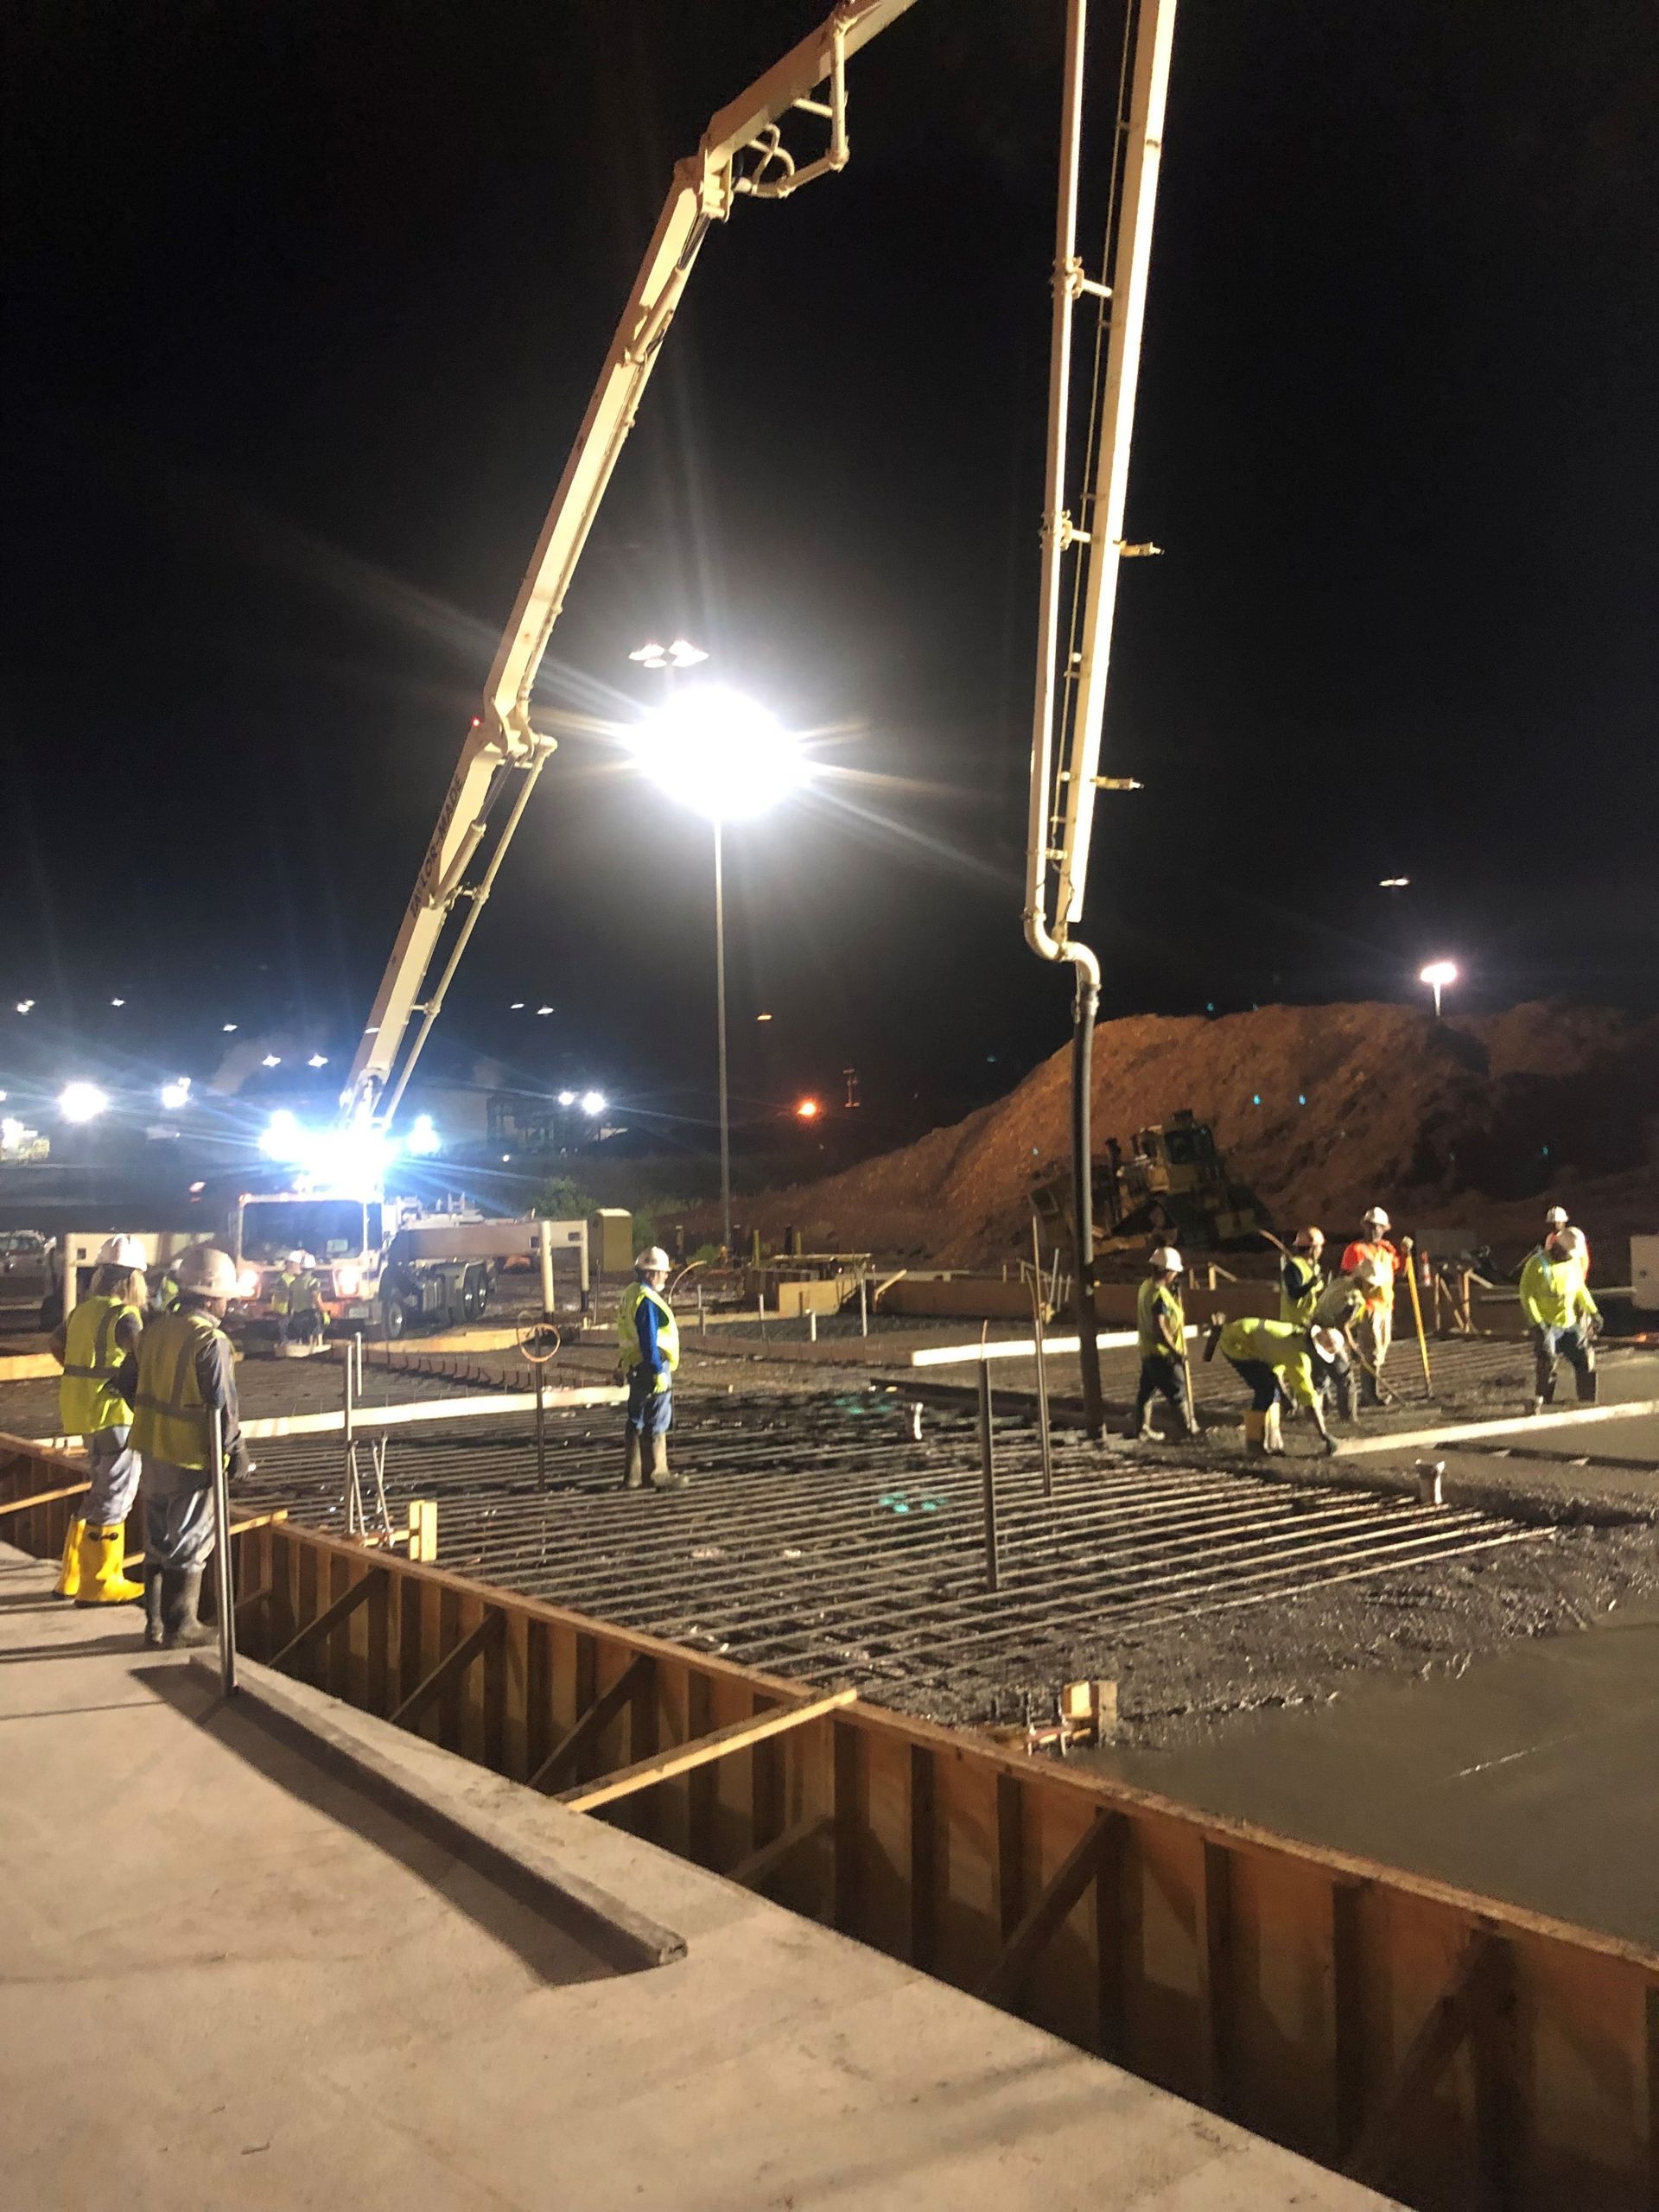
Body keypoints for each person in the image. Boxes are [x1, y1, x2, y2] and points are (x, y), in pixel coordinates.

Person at [124, 1243, 250, 1649]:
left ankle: (154, 1626)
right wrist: (238, 1453)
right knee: (191, 1541)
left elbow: (125, 1383)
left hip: (151, 1448)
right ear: (211, 1297)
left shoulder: (155, 1331)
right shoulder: (209, 1341)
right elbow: (222, 1406)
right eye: (226, 1296)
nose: (228, 1303)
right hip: (191, 1456)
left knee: (158, 1539)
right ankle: (184, 1625)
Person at [49, 1236, 149, 1604]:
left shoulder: (83, 1312)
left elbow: (55, 1344)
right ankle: (101, 1582)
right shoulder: (125, 1316)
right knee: (116, 1495)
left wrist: (79, 1375)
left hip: (83, 1413)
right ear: (133, 1279)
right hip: (115, 1415)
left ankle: (71, 1576)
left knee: (99, 1491)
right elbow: (142, 1357)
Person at [1217, 1315, 1343, 1456]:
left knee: (1272, 1391)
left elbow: (1274, 1367)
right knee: (1266, 1392)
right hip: (1236, 1344)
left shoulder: (1296, 1333)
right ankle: (1254, 1444)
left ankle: (1265, 1442)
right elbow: (1308, 1397)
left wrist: (1285, 1396)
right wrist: (1324, 1434)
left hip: (1242, 1332)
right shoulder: (1299, 1358)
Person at [616, 1245, 686, 1492]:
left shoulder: (630, 1294)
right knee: (657, 1418)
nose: (666, 1276)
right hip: (652, 1365)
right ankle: (658, 1473)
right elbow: (648, 1338)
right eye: (663, 1272)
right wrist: (657, 1370)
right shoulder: (646, 1300)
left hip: (634, 1365)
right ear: (652, 1273)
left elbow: (627, 1333)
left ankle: (632, 1476)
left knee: (636, 1418)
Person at [1520, 1225, 1599, 1412]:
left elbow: (1580, 1290)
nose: (1571, 1256)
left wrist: (1594, 1311)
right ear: (1558, 1248)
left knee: (1584, 1357)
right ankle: (1543, 1400)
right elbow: (1526, 1294)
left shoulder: (1572, 1264)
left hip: (1569, 1323)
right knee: (1547, 1360)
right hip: (1547, 1324)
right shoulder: (1538, 1264)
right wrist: (1537, 1323)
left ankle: (1587, 1401)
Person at [1129, 1246, 1198, 1441]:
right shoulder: (1159, 1295)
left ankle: (1142, 1429)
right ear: (1167, 1271)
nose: (1176, 1276)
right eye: (1174, 1272)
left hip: (1148, 1351)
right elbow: (1160, 1327)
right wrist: (1175, 1351)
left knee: (1146, 1392)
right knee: (1178, 1391)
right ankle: (1188, 1431)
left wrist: (1174, 1296)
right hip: (1163, 1354)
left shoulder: (1146, 1287)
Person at [1339, 1206, 1405, 1405]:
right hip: (1367, 1308)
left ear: (1385, 1228)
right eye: (1371, 1226)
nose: (1374, 1230)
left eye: (1378, 1227)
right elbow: (1345, 1278)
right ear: (1364, 1227)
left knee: (1380, 1352)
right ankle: (1369, 1395)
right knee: (1372, 1352)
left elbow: (1401, 1271)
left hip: (1385, 1307)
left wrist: (1406, 1254)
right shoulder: (1356, 1250)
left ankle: (1369, 1393)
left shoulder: (1387, 1249)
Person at [1278, 1228, 1325, 1325]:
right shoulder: (1293, 1267)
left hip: (1310, 1322)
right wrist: (1310, 1284)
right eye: (1320, 1247)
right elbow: (1293, 1293)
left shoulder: (1315, 1267)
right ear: (1313, 1249)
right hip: (1293, 1324)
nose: (1321, 1250)